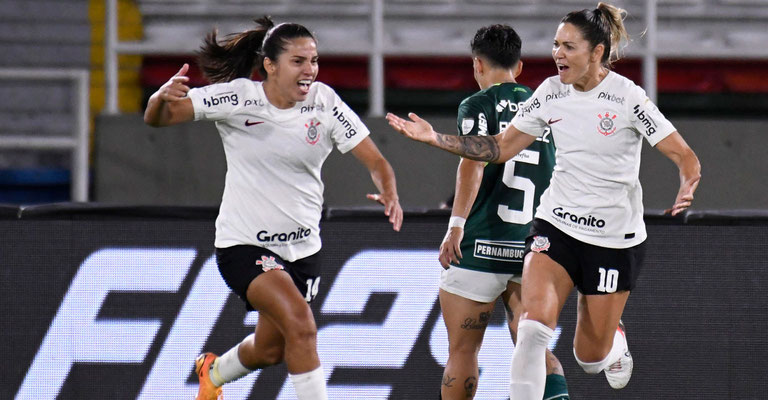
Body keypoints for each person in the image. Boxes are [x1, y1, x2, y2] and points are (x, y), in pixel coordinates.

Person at [387, 3, 701, 399]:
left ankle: (613, 339)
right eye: (555, 44)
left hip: (614, 239)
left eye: (568, 46)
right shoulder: (549, 93)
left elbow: (682, 153)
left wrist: (688, 179)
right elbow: (500, 148)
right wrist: (438, 139)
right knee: (533, 330)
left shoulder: (627, 97)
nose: (557, 54)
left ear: (597, 53)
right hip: (556, 227)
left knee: (589, 357)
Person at [144, 16, 403, 400]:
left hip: (303, 251)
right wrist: (158, 99)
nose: (310, 70)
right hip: (244, 244)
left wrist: (389, 192)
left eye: (313, 60)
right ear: (270, 65)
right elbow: (159, 119)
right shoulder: (237, 98)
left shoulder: (324, 102)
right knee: (302, 325)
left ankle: (213, 373)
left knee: (271, 350)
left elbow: (377, 162)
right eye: (299, 61)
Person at [436, 24, 568, 400]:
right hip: (532, 248)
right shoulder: (545, 105)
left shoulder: (477, 105)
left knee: (463, 352)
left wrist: (455, 226)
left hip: (478, 245)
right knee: (534, 350)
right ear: (520, 67)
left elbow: (472, 163)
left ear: (477, 64)